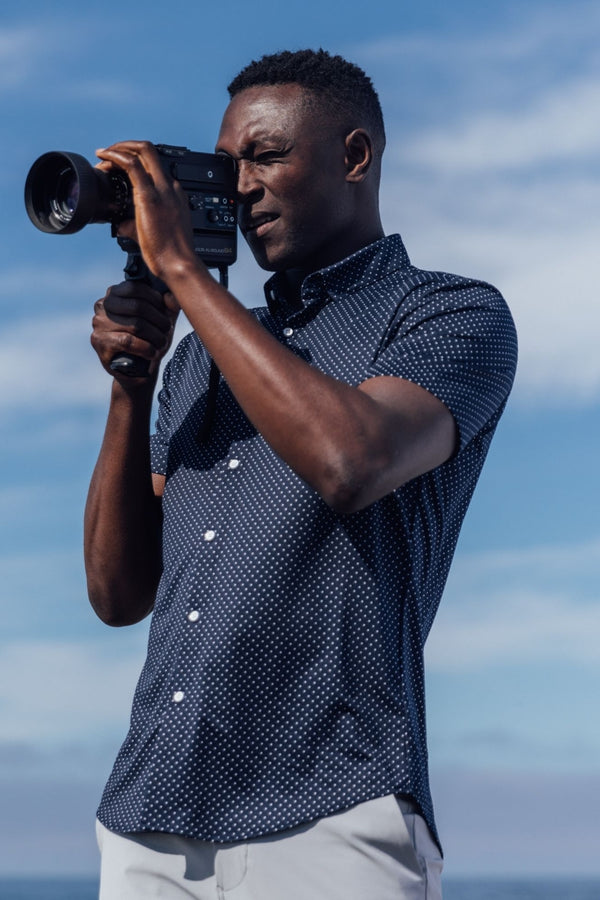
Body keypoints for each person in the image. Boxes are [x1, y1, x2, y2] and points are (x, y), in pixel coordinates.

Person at [85, 49, 517, 900]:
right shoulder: (202, 360)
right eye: (227, 161)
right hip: (149, 818)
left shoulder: (451, 313)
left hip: (331, 806)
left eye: (267, 155)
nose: (238, 185)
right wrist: (134, 384)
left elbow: (349, 461)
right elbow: (117, 595)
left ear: (355, 158)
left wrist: (180, 271)